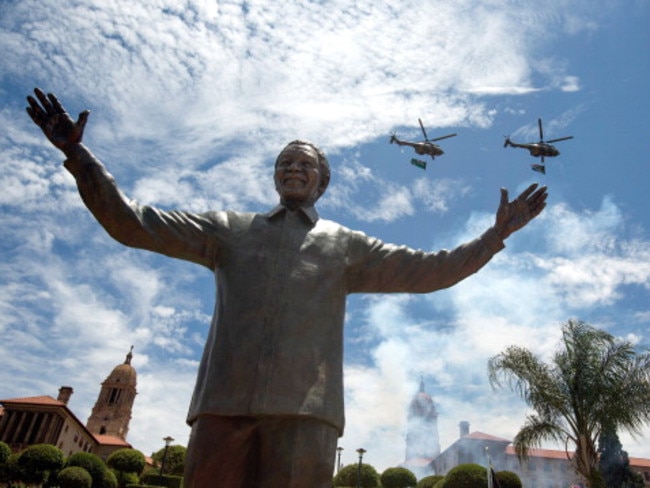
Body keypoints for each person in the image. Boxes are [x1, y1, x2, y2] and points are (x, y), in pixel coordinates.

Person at [26, 88, 547, 488]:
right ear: (276, 178)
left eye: (306, 164)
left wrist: (494, 235)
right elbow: (133, 223)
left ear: (322, 181)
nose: (294, 168)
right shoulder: (228, 229)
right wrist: (80, 158)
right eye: (285, 163)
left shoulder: (345, 245)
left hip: (306, 416)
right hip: (223, 407)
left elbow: (432, 271)